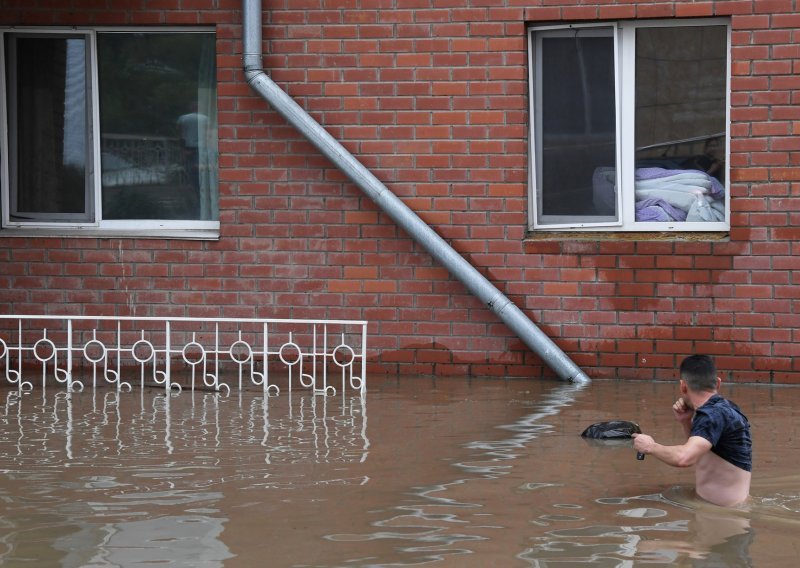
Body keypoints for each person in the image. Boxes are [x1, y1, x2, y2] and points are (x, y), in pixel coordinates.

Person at [632, 354, 752, 507]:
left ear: (683, 386)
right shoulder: (722, 410)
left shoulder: (712, 416)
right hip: (726, 513)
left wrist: (651, 447)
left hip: (724, 519)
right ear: (718, 383)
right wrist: (686, 421)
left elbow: (685, 458)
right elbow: (700, 453)